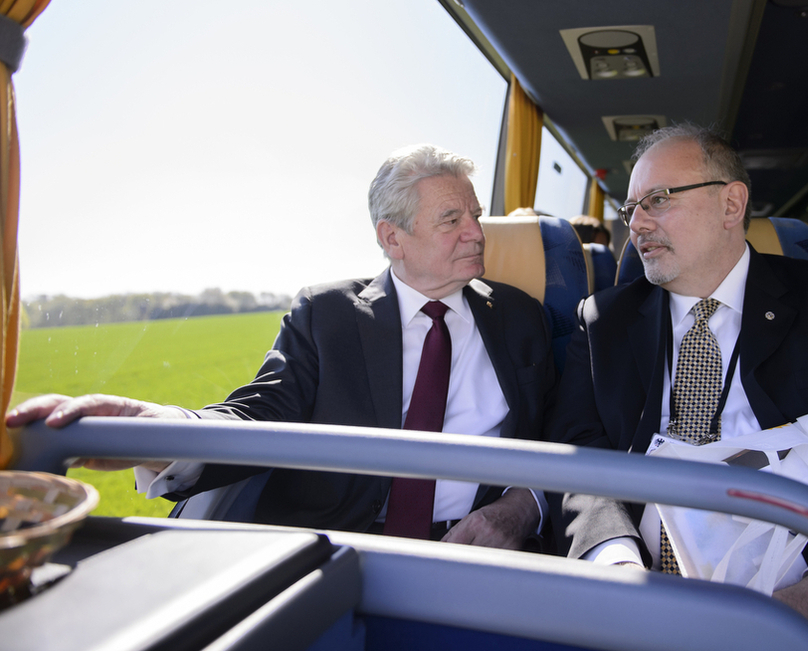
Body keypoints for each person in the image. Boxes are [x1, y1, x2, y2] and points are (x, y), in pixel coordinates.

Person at [7, 144, 557, 549]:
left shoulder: (519, 316)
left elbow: (565, 432)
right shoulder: (328, 314)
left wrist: (522, 507)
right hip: (336, 549)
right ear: (392, 238)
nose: (477, 233)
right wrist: (154, 424)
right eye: (451, 220)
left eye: (476, 215)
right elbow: (261, 414)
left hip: (479, 554)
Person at [546, 123, 808, 643]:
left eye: (657, 199)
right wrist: (615, 565)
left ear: (731, 204)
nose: (637, 224)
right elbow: (578, 458)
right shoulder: (602, 320)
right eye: (631, 208)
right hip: (646, 599)